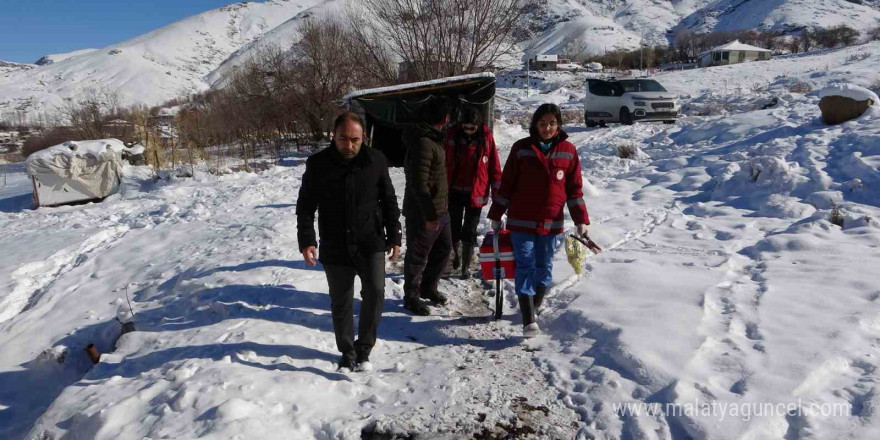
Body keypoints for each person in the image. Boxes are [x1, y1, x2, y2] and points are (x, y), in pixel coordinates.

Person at [296, 112, 402, 371]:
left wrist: (394, 234)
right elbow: (306, 206)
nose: (349, 144)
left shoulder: (375, 160)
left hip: (371, 240)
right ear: (333, 135)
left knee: (375, 292)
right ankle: (347, 351)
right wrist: (307, 240)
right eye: (343, 138)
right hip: (335, 244)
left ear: (363, 137)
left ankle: (364, 347)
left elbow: (389, 200)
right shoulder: (318, 164)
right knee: (341, 301)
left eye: (355, 139)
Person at [486, 103, 590, 337]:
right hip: (521, 220)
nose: (547, 127)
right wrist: (496, 213)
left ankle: (535, 305)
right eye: (542, 123)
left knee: (544, 267)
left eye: (552, 123)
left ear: (559, 125)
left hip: (551, 222)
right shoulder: (521, 148)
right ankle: (528, 319)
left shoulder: (568, 151)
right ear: (535, 125)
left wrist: (581, 219)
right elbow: (508, 183)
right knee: (525, 264)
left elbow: (574, 190)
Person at [401, 98, 453, 316]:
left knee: (443, 249)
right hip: (424, 212)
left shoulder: (434, 139)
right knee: (417, 256)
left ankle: (428, 287)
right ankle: (411, 297)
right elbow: (418, 183)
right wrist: (429, 214)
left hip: (441, 210)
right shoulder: (423, 142)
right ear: (445, 118)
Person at [445, 105, 502, 279]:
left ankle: (465, 267)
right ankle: (455, 258)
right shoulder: (452, 136)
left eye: (473, 128)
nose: (469, 131)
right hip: (454, 190)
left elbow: (494, 167)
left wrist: (497, 194)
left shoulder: (486, 139)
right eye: (466, 127)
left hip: (476, 193)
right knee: (453, 228)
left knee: (469, 230)